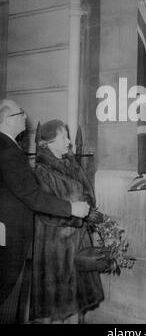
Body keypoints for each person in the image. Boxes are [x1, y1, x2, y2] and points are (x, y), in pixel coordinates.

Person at [0, 99, 90, 324]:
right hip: (14, 238)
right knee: (8, 299)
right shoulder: (8, 150)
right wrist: (71, 208)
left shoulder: (8, 146)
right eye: (20, 113)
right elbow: (32, 195)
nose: (25, 116)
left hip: (10, 233)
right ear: (7, 119)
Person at [30, 119, 104, 323]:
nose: (69, 141)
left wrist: (88, 211)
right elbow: (45, 211)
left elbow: (88, 193)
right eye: (64, 137)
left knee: (77, 306)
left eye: (68, 136)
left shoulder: (72, 165)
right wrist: (76, 216)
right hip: (55, 249)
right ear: (49, 142)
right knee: (59, 308)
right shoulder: (41, 171)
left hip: (77, 244)